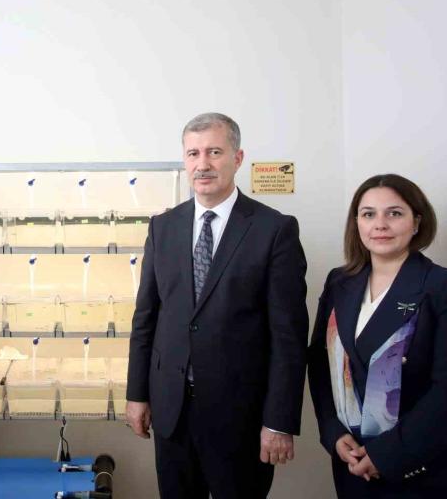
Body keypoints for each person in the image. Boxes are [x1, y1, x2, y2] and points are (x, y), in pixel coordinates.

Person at [125, 113, 309, 499]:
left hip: (241, 418)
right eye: (193, 154)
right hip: (172, 412)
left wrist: (279, 421)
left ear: (237, 158)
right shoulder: (163, 227)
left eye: (214, 152)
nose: (203, 164)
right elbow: (146, 319)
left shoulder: (274, 230)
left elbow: (288, 337)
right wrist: (137, 394)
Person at [308, 174, 447, 498]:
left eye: (394, 213)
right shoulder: (340, 282)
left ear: (416, 222)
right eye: (368, 214)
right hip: (354, 465)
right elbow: (320, 363)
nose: (380, 224)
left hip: (428, 470)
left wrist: (385, 455)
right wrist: (333, 432)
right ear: (357, 223)